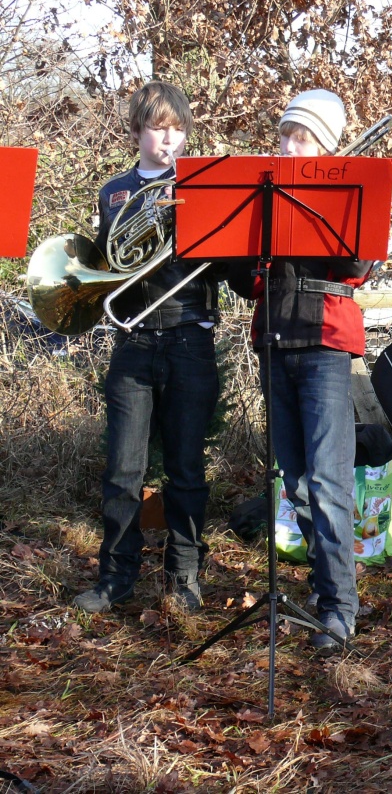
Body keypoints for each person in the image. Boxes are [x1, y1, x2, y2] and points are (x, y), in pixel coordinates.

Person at [227, 88, 371, 653]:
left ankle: (341, 607)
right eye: (285, 133)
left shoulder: (347, 191)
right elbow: (248, 285)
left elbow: (358, 265)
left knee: (330, 479)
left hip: (326, 342)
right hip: (273, 339)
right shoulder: (261, 196)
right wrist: (230, 248)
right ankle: (321, 584)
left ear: (325, 146)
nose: (288, 144)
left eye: (302, 136)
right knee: (296, 481)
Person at [74, 81, 224, 614]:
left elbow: (225, 268)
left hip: (190, 334)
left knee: (186, 467)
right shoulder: (114, 191)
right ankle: (116, 574)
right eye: (159, 127)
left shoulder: (203, 186)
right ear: (138, 130)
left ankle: (184, 575)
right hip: (132, 338)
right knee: (122, 469)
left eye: (178, 128)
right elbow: (110, 263)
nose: (169, 137)